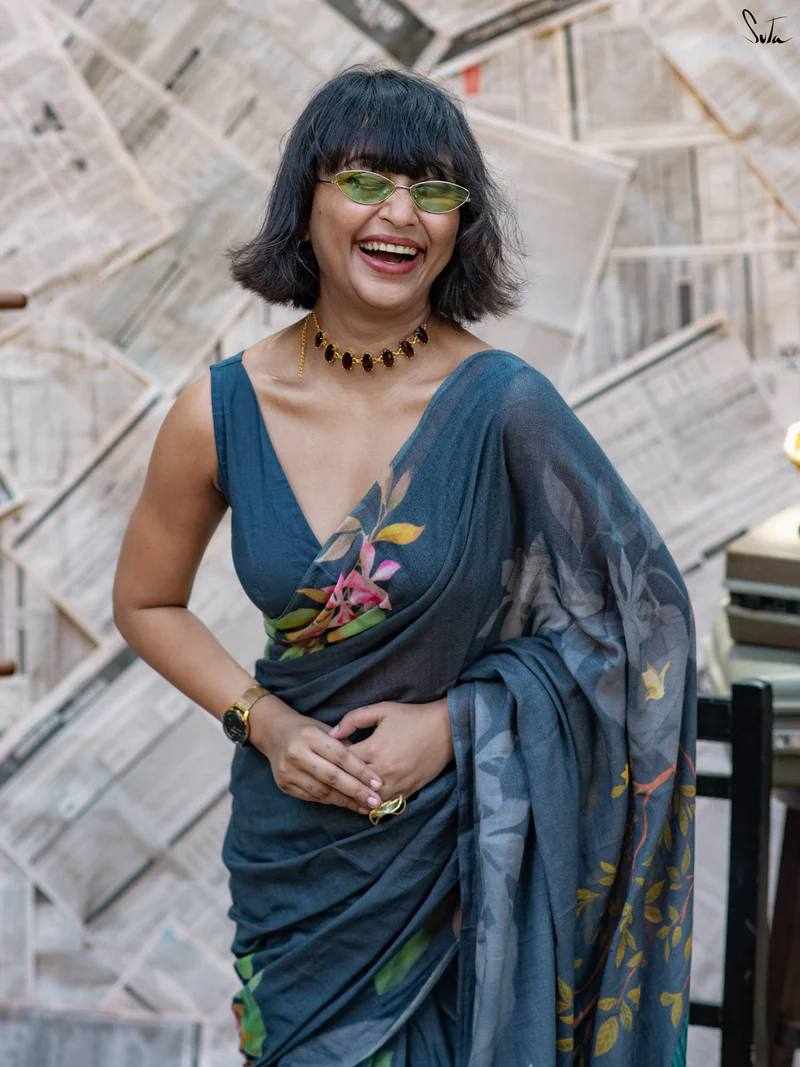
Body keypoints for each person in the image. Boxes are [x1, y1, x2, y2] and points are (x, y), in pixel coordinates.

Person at [112, 65, 696, 1067]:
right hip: (298, 867)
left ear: (460, 222)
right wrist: (266, 721)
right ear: (304, 203)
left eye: (432, 189)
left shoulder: (505, 404)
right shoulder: (218, 409)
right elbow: (147, 601)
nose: (400, 214)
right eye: (363, 181)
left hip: (462, 861)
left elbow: (644, 622)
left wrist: (457, 726)